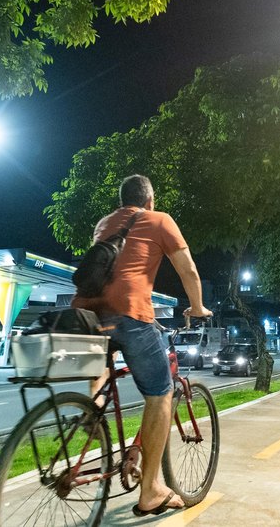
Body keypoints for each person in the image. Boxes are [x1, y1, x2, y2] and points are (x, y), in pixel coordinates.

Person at [71, 174, 211, 517]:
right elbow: (188, 269)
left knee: (105, 357)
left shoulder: (105, 223)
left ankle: (93, 404)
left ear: (123, 201)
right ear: (150, 199)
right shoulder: (159, 219)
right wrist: (197, 307)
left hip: (86, 313)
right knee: (160, 395)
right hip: (131, 311)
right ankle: (150, 491)